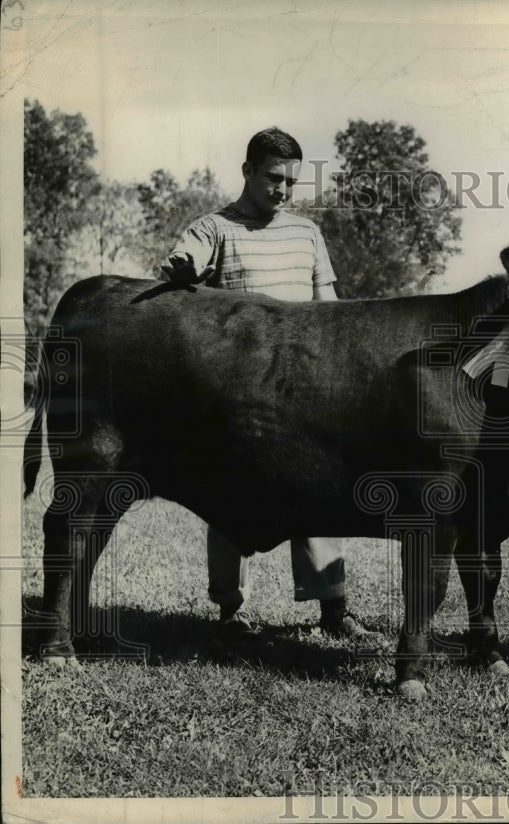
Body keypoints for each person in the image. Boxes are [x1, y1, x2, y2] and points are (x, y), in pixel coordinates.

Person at [161, 127, 373, 642]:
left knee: (320, 494)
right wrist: (183, 266)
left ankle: (333, 610)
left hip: (305, 391)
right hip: (237, 398)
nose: (282, 191)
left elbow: (330, 310)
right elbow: (183, 259)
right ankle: (229, 612)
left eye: (291, 183)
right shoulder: (214, 228)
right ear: (248, 172)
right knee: (229, 497)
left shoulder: (306, 233)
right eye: (274, 178)